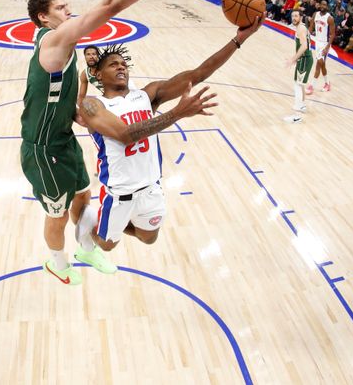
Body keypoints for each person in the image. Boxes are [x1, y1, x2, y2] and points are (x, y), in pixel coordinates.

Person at [20, 0, 207, 286]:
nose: (69, 13)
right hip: (43, 148)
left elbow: (68, 90)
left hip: (63, 137)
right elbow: (112, 3)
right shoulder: (53, 41)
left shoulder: (63, 47)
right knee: (57, 213)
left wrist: (77, 110)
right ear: (44, 18)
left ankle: (87, 248)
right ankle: (57, 263)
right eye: (62, 8)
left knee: (83, 195)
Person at [76, 13, 263, 257]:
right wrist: (176, 113)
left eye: (124, 64)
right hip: (119, 194)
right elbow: (124, 135)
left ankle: (113, 225)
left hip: (151, 189)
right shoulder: (93, 105)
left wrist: (238, 40)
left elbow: (198, 74)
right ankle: (93, 219)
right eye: (113, 64)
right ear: (98, 75)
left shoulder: (147, 95)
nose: (121, 66)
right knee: (107, 245)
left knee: (148, 238)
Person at [285, 9, 313, 124]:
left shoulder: (301, 28)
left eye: (296, 16)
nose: (294, 18)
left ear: (301, 17)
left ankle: (297, 115)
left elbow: (304, 46)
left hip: (304, 59)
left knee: (297, 85)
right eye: (293, 16)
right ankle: (301, 106)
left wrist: (293, 59)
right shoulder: (301, 27)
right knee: (299, 84)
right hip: (304, 59)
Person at [306, 0, 335, 94]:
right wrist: (306, 37)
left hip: (325, 44)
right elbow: (311, 27)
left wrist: (327, 47)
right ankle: (327, 83)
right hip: (317, 42)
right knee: (322, 64)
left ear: (327, 7)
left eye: (325, 5)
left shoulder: (329, 18)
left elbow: (332, 34)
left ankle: (311, 86)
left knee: (319, 63)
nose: (323, 6)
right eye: (322, 4)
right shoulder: (315, 14)